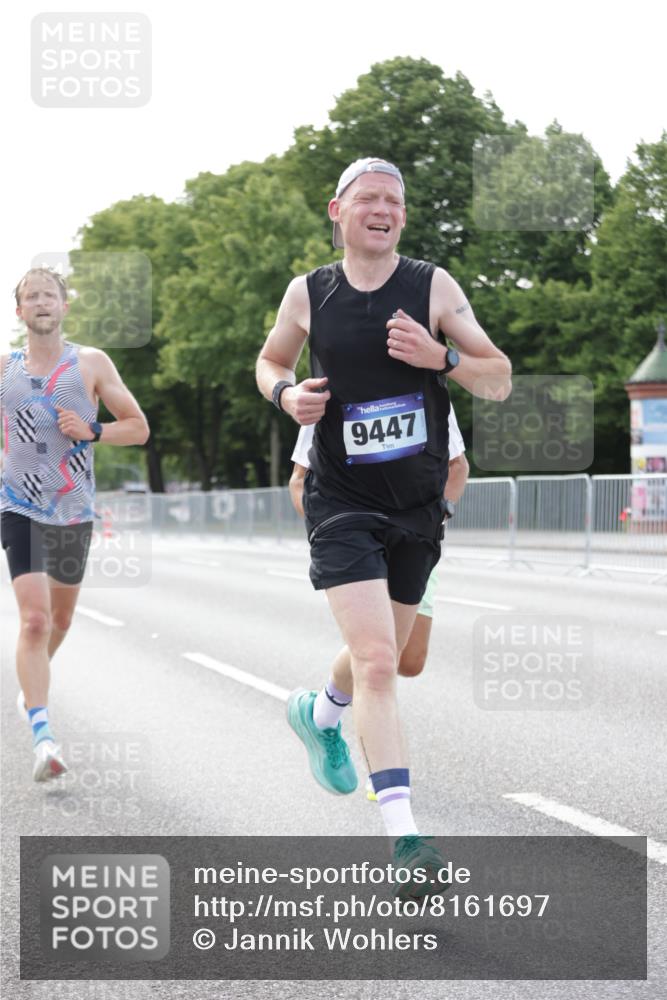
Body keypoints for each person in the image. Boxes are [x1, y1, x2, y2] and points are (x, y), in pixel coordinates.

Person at [256, 157, 511, 897]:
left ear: (402, 216)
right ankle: (405, 838)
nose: (381, 208)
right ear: (337, 210)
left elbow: (495, 376)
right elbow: (270, 359)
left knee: (386, 659)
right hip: (339, 499)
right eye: (366, 197)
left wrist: (443, 357)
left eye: (393, 200)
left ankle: (318, 712)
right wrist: (284, 393)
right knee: (376, 661)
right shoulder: (309, 292)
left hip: (415, 505)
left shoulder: (432, 287)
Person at [1, 268, 150, 782]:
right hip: (18, 506)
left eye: (50, 295)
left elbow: (139, 428)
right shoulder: (3, 369)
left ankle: (31, 689)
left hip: (73, 509)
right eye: (31, 297)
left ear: (64, 307)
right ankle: (43, 734)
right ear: (19, 311)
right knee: (35, 620)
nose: (41, 302)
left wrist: (94, 430)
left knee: (60, 622)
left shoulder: (90, 362)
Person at [289, 406, 469, 681]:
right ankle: (330, 712)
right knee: (377, 655)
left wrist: (433, 521)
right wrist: (331, 531)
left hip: (413, 535)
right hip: (354, 535)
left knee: (409, 660)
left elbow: (457, 466)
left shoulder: (428, 381)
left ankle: (327, 704)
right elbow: (299, 481)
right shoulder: (329, 387)